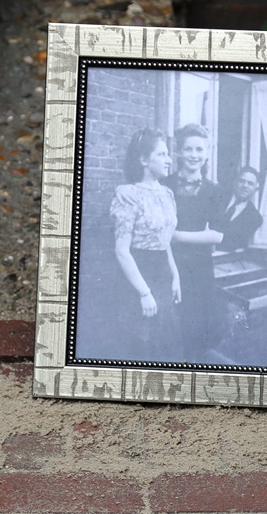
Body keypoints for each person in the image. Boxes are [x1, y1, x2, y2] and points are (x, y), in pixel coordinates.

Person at [110, 127, 183, 362]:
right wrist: (144, 292)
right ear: (143, 159)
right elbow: (121, 251)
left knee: (167, 341)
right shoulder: (128, 195)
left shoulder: (168, 194)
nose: (169, 160)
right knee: (143, 346)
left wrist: (175, 276)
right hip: (138, 275)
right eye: (161, 154)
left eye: (168, 154)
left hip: (162, 271)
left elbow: (165, 240)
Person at [165, 123, 225, 363]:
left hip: (200, 269)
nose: (194, 155)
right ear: (178, 152)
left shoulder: (214, 190)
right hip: (168, 264)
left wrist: (177, 236)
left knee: (197, 330)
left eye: (199, 149)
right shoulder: (165, 185)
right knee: (170, 327)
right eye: (188, 149)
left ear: (207, 153)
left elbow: (218, 235)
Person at [215, 166, 264, 252]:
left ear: (256, 189)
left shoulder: (255, 218)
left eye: (250, 183)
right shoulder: (217, 197)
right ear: (235, 182)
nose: (245, 186)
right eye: (242, 181)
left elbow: (234, 242)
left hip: (223, 258)